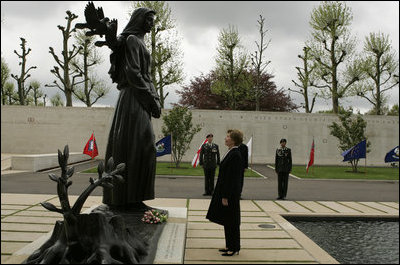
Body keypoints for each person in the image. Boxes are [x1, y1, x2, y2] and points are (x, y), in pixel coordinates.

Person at [102, 7, 162, 209]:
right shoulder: (132, 40)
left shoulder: (140, 42)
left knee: (142, 147)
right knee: (139, 146)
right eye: (148, 19)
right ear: (139, 20)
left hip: (140, 98)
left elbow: (146, 75)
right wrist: (151, 100)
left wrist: (155, 97)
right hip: (133, 99)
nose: (151, 23)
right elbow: (133, 73)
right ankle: (126, 199)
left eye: (153, 20)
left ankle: (134, 198)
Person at [206, 129, 243, 256]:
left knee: (232, 221)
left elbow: (232, 179)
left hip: (230, 195)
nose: (225, 138)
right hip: (225, 192)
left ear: (233, 140)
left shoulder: (236, 154)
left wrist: (226, 195)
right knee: (227, 220)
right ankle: (229, 245)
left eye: (228, 136)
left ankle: (234, 247)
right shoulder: (231, 152)